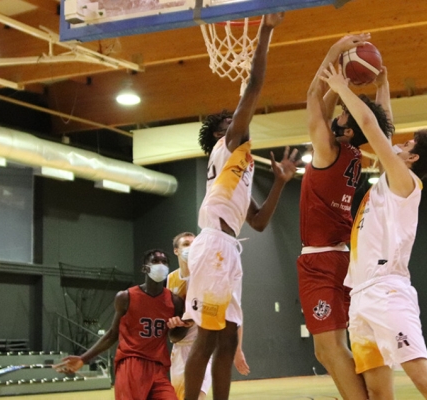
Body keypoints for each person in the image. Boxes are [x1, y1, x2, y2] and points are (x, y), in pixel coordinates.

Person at [183, 12, 298, 400]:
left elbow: (261, 223)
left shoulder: (238, 171)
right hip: (214, 245)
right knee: (210, 337)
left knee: (228, 338)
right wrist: (264, 31)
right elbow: (254, 86)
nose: (241, 123)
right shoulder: (229, 145)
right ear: (223, 133)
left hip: (228, 249)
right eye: (233, 122)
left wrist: (280, 184)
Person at [320, 63, 427, 400]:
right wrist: (383, 84)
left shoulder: (405, 182)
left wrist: (342, 88)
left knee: (424, 380)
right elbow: (385, 125)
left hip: (388, 293)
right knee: (378, 393)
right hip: (361, 295)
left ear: (412, 158)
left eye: (406, 144)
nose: (398, 144)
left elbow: (371, 125)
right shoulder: (392, 179)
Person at [300, 34, 394, 399]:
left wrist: (335, 51)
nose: (335, 113)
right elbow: (381, 127)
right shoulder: (355, 153)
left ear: (347, 129)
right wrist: (378, 87)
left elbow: (312, 100)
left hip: (320, 259)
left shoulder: (328, 151)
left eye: (342, 115)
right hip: (346, 259)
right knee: (340, 345)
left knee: (327, 349)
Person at [54, 250, 189, 400]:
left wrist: (184, 325)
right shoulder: (126, 296)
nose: (161, 265)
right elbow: (112, 334)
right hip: (132, 362)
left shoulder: (174, 301)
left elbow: (175, 337)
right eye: (156, 261)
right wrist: (84, 358)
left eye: (164, 262)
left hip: (158, 366)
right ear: (145, 268)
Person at [167, 233, 249, 400]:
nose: (191, 247)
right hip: (178, 347)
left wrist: (237, 350)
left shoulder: (210, 276)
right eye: (186, 244)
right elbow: (168, 315)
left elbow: (234, 314)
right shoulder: (171, 279)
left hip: (202, 347)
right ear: (176, 251)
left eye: (194, 243)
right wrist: (172, 322)